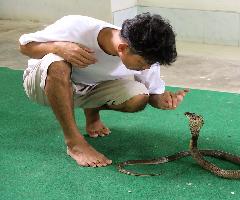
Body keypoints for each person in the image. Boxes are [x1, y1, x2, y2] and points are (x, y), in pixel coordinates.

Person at [19, 13, 189, 168]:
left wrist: (164, 101)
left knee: (139, 96)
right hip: (42, 85)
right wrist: (59, 47)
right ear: (122, 48)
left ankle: (92, 114)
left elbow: (153, 95)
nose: (146, 68)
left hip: (85, 90)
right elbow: (25, 47)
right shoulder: (76, 25)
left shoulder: (145, 55)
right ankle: (75, 143)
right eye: (143, 63)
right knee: (57, 63)